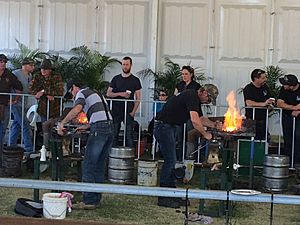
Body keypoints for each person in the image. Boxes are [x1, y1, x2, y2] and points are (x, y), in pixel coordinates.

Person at [154, 88, 222, 208]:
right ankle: (163, 197)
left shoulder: (194, 98)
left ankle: (172, 194)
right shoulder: (191, 96)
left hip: (169, 127)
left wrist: (214, 125)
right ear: (204, 92)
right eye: (208, 98)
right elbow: (195, 121)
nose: (208, 102)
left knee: (172, 161)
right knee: (170, 161)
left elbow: (200, 118)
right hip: (164, 127)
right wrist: (206, 134)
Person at [57, 79, 114, 209]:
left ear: (74, 87)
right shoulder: (96, 92)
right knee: (99, 164)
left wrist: (63, 122)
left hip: (100, 129)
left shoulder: (81, 93)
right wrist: (87, 126)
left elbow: (77, 109)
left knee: (88, 163)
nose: (73, 97)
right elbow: (103, 116)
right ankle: (95, 199)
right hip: (110, 128)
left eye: (71, 94)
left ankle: (88, 200)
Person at [106, 56, 142, 148]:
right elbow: (109, 93)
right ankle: (111, 154)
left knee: (129, 134)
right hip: (116, 111)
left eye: (127, 64)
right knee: (114, 134)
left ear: (131, 65)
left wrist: (133, 112)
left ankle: (131, 156)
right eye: (123, 64)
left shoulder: (135, 80)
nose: (125, 66)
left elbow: (138, 98)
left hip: (129, 111)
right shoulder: (116, 79)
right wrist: (121, 94)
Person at [29, 59, 64, 149]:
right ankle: (46, 148)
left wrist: (43, 91)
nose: (43, 71)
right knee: (45, 129)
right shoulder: (38, 76)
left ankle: (54, 149)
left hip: (55, 109)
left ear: (50, 70)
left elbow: (60, 91)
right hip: (43, 108)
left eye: (45, 69)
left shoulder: (56, 77)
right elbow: (31, 89)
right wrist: (41, 93)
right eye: (42, 69)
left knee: (54, 129)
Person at [10, 58, 35, 159]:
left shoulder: (30, 76)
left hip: (24, 103)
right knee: (25, 124)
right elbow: (11, 86)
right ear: (25, 65)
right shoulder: (15, 73)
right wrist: (14, 98)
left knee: (16, 125)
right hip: (16, 103)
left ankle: (12, 146)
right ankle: (29, 148)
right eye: (31, 65)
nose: (33, 67)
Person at [0, 54, 23, 167]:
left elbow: (19, 87)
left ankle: (1, 160)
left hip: (4, 107)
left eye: (4, 62)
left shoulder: (9, 74)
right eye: (1, 61)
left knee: (2, 132)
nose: (3, 64)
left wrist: (15, 100)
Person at [174, 66, 201, 161]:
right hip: (180, 114)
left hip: (191, 114)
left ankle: (190, 157)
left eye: (186, 74)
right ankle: (179, 158)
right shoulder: (179, 85)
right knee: (180, 137)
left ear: (191, 75)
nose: (184, 76)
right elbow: (175, 97)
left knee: (190, 136)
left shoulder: (196, 86)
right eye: (182, 74)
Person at [243, 69, 275, 140]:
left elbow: (269, 99)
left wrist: (270, 105)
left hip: (263, 119)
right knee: (253, 139)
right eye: (263, 78)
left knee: (264, 138)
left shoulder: (265, 87)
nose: (265, 79)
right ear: (256, 79)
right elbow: (248, 103)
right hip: (252, 120)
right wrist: (263, 104)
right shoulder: (248, 88)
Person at [277, 74, 300, 168]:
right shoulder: (283, 89)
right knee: (287, 139)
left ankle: (297, 163)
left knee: (298, 137)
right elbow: (279, 103)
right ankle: (288, 163)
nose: (283, 86)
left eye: (285, 84)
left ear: (292, 85)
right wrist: (294, 108)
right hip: (287, 117)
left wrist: (298, 111)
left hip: (299, 118)